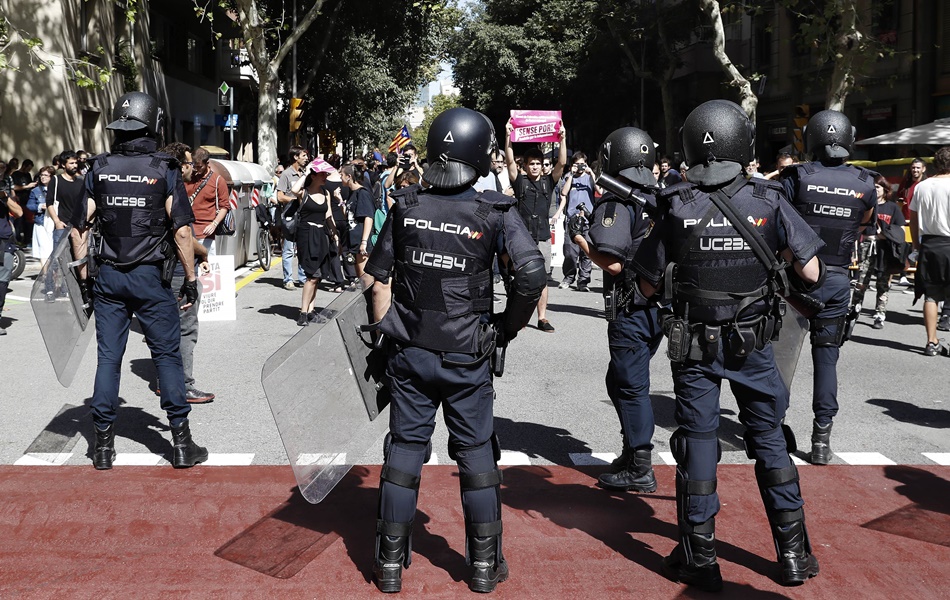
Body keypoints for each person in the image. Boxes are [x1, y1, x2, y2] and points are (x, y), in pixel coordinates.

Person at [634, 100, 823, 591]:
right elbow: (812, 272)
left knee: (697, 444)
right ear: (744, 143)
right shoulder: (769, 198)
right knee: (769, 442)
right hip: (754, 345)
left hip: (695, 346)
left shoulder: (676, 203)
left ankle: (700, 558)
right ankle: (794, 555)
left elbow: (647, 285)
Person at [364, 107, 545, 594]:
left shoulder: (406, 205)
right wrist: (503, 330)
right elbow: (531, 276)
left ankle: (388, 566)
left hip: (410, 351)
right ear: (478, 154)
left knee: (403, 449)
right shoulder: (493, 210)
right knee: (476, 454)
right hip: (468, 355)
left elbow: (376, 281)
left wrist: (385, 331)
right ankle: (484, 568)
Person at [69, 91, 207, 470]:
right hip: (150, 277)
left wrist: (84, 278)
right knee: (166, 356)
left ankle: (101, 449)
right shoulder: (164, 169)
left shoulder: (99, 168)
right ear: (154, 124)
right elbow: (181, 231)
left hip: (108, 278)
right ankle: (181, 444)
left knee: (109, 360)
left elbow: (78, 229)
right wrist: (191, 278)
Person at [570, 127, 664, 492]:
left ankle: (640, 464)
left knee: (630, 385)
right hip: (659, 305)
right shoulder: (657, 196)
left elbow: (612, 264)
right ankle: (631, 450)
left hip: (632, 308)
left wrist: (579, 236)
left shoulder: (616, 202)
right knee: (619, 380)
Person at [783, 109, 876, 465]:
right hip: (837, 279)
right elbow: (863, 221)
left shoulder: (796, 177)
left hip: (795, 278)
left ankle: (773, 428)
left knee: (780, 360)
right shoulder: (867, 183)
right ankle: (821, 441)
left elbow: (781, 219)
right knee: (827, 361)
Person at [160, 141, 215, 404]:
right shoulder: (175, 188)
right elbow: (182, 233)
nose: (192, 167)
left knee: (167, 328)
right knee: (185, 328)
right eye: (189, 162)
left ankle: (166, 381)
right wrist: (202, 253)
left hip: (162, 269)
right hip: (178, 270)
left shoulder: (157, 186)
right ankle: (183, 384)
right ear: (180, 165)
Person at [505, 118, 567, 332]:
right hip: (521, 238)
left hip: (541, 236)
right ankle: (517, 317)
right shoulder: (519, 180)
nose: (534, 167)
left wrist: (562, 139)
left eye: (538, 163)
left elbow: (562, 163)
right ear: (526, 165)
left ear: (542, 166)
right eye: (531, 163)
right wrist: (508, 136)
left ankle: (542, 318)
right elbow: (510, 162)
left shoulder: (549, 182)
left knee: (542, 279)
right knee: (519, 277)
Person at [909, 146, 950, 356]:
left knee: (931, 296)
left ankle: (931, 342)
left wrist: (916, 245)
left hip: (930, 245)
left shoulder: (922, 186)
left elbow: (913, 219)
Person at [851, 175, 906, 330]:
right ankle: (855, 310)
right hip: (867, 244)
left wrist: (886, 233)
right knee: (861, 281)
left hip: (885, 247)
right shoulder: (867, 205)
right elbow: (857, 229)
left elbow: (900, 231)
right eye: (873, 187)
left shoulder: (892, 207)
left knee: (882, 283)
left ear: (885, 189)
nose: (875, 189)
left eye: (878, 187)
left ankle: (880, 314)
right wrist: (854, 248)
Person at [290, 159, 338, 326]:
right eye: (323, 173)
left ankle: (311, 310)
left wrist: (334, 232)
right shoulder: (304, 193)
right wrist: (306, 172)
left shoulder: (326, 193)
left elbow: (328, 215)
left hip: (322, 235)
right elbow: (293, 189)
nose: (325, 176)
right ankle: (303, 312)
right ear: (314, 175)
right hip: (306, 235)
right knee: (312, 275)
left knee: (317, 276)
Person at [554, 152, 595, 292]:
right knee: (570, 251)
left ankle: (583, 281)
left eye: (582, 164)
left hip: (588, 218)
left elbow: (599, 189)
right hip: (572, 218)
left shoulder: (590, 178)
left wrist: (591, 173)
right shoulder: (568, 177)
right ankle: (568, 277)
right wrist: (571, 175)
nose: (580, 167)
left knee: (587, 252)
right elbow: (564, 194)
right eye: (577, 164)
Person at [183, 147, 230, 257]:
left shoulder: (218, 180)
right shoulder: (188, 178)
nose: (196, 169)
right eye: (194, 166)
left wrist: (214, 224)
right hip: (187, 231)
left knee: (207, 268)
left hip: (205, 233)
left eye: (199, 166)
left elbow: (224, 206)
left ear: (207, 163)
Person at [276, 146, 309, 290]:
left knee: (302, 248)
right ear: (295, 157)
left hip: (303, 215)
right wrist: (293, 200)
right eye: (303, 156)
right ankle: (288, 279)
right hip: (290, 216)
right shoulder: (286, 174)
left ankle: (302, 278)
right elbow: (279, 196)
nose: (306, 158)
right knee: (288, 249)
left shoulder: (305, 173)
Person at [338, 162, 375, 278]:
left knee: (365, 277)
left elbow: (368, 217)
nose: (340, 177)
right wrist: (339, 200)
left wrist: (364, 242)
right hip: (353, 240)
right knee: (360, 277)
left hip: (361, 241)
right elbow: (349, 216)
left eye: (341, 175)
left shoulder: (362, 193)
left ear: (349, 177)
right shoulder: (352, 193)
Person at [46, 151, 87, 250]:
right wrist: (57, 222)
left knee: (78, 259)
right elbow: (49, 203)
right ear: (64, 165)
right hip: (62, 226)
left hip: (77, 227)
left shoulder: (81, 182)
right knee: (60, 259)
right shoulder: (56, 180)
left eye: (76, 163)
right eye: (71, 163)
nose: (75, 166)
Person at [0, 173, 23, 335]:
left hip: (4, 243)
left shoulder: (4, 198)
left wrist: (5, 197)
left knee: (2, 281)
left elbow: (20, 213)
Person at [26, 166, 55, 266]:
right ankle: (46, 276)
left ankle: (53, 275)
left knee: (53, 250)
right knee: (44, 251)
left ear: (51, 177)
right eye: (41, 175)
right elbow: (29, 206)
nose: (43, 177)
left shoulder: (57, 189)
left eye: (46, 175)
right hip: (41, 223)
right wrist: (39, 206)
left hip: (55, 223)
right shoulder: (35, 191)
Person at [897, 157, 927, 222]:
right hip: (905, 220)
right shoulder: (905, 183)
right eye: (913, 167)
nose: (915, 170)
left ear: (923, 169)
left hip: (921, 221)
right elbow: (899, 198)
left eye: (918, 168)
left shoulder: (927, 184)